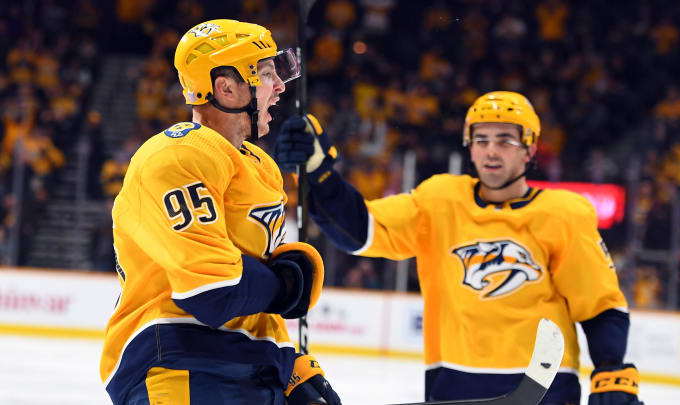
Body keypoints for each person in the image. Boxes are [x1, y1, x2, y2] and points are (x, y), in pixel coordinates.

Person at [275, 91, 643, 405]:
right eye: (481, 140)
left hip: (545, 387)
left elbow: (600, 305)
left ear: (530, 147)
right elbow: (360, 230)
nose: (491, 151)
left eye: (506, 140)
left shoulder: (564, 214)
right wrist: (320, 174)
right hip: (454, 386)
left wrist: (610, 368)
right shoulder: (441, 201)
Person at [100, 20, 341, 405]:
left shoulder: (261, 166)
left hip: (251, 369)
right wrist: (284, 286)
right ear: (226, 87)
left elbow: (251, 295)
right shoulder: (177, 155)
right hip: (181, 365)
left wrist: (291, 367)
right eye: (265, 73)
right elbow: (213, 291)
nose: (279, 86)